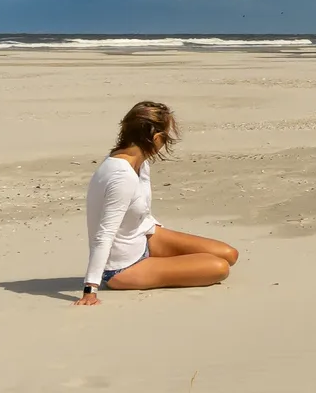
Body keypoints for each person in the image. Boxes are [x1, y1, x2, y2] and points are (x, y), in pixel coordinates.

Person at [75, 101, 239, 306]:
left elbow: (140, 208)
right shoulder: (121, 176)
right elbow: (104, 234)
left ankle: (163, 260)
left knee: (230, 255)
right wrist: (90, 288)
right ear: (156, 138)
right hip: (123, 265)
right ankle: (151, 267)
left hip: (144, 235)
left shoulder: (137, 160)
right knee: (219, 268)